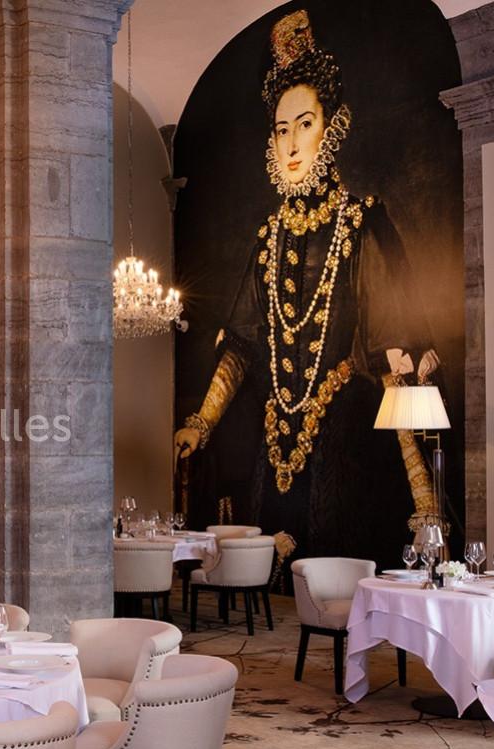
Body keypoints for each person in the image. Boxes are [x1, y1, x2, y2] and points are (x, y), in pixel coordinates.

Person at [173, 10, 440, 564]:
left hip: (344, 433)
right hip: (277, 438)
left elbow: (393, 353)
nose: (292, 143)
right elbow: (242, 348)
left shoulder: (362, 224)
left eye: (305, 125)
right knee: (274, 578)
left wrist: (426, 499)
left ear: (330, 127)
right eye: (281, 129)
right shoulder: (267, 239)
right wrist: (200, 423)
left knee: (337, 564)